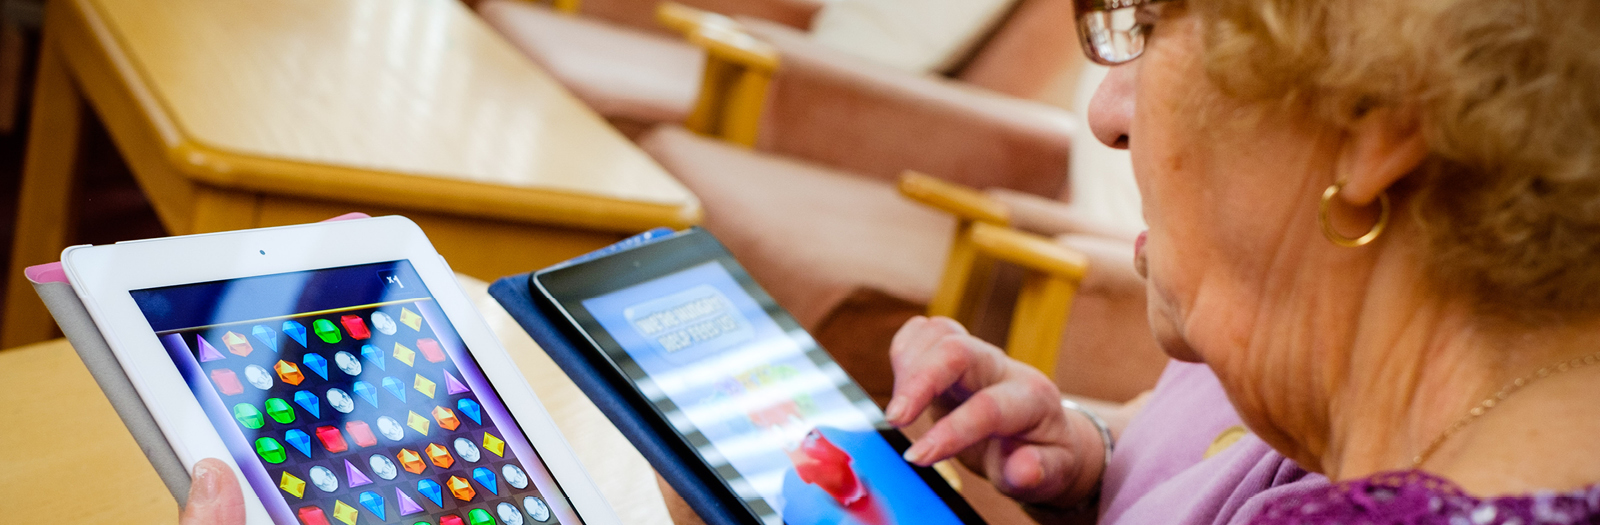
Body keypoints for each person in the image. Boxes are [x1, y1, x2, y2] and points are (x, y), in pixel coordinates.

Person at [886, 0, 1600, 523]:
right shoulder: (1308, 362)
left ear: (1374, 117)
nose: (1107, 115)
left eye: (1148, 25)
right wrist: (1092, 458)